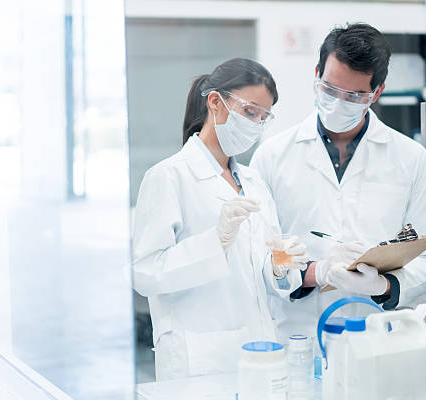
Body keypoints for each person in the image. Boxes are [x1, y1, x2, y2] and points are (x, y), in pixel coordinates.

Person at [250, 23, 426, 339]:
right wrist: (315, 272)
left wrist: (384, 284)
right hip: (301, 337)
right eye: (329, 89)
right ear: (317, 75)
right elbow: (262, 254)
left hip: (382, 335)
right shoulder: (272, 157)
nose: (339, 102)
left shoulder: (411, 159)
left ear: (376, 92)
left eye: (354, 96)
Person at [132, 58, 309, 381]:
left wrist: (281, 264)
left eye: (263, 117)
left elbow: (264, 274)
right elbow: (146, 274)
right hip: (199, 357)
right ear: (216, 102)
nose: (255, 124)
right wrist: (217, 241)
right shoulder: (168, 176)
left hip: (260, 351)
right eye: (249, 112)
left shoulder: (254, 182)